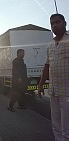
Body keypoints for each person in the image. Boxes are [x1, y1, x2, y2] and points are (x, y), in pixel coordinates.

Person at [38, 13, 69, 141]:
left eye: (57, 22)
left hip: (67, 92)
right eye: (52, 24)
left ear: (64, 23)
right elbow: (46, 66)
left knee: (66, 128)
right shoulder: (50, 45)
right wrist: (40, 85)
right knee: (55, 125)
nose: (54, 25)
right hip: (53, 91)